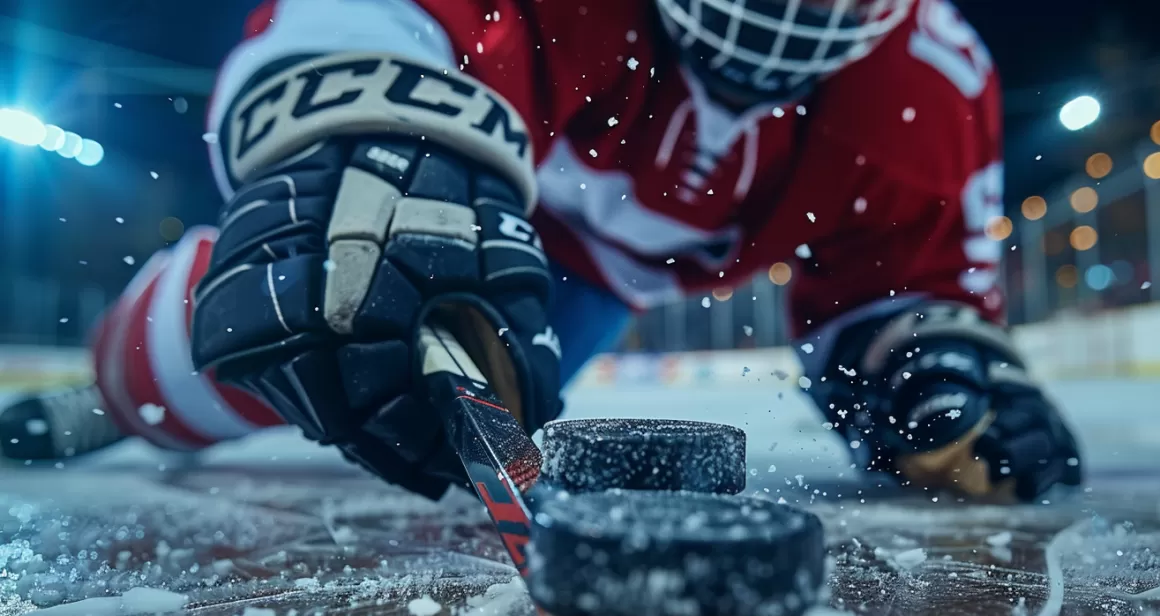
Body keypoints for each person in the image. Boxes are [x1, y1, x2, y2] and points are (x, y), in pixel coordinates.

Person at [0, 0, 1080, 502]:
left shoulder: (927, 82)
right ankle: (125, 387)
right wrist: (358, 148)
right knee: (316, 287)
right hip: (482, 190)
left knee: (413, 352)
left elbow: (898, 285)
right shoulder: (932, 74)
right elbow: (372, 20)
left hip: (594, 279)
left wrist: (921, 367)